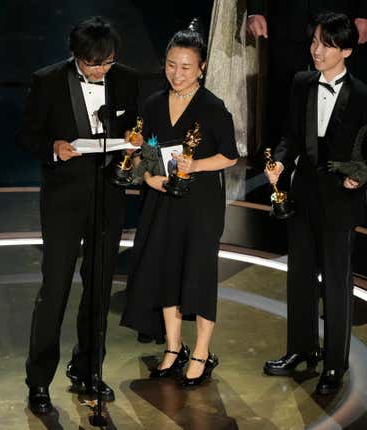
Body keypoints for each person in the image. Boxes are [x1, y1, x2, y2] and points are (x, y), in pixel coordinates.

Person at [18, 16, 139, 414]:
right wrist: (54, 146)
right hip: (63, 200)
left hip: (109, 198)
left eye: (106, 63)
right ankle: (38, 382)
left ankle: (88, 369)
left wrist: (133, 147)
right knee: (54, 289)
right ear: (75, 56)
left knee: (100, 287)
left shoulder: (126, 80)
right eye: (92, 64)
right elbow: (28, 135)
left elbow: (135, 129)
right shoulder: (48, 80)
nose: (101, 70)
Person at [262, 12, 367, 395]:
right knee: (298, 275)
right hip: (302, 192)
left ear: (346, 50)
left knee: (335, 283)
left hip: (341, 200)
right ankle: (300, 350)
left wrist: (360, 174)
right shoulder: (300, 83)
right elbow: (291, 136)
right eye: (314, 41)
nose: (316, 50)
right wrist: (280, 160)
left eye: (326, 45)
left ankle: (334, 365)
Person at [121, 25, 239, 387]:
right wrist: (147, 177)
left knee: (199, 276)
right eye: (172, 65)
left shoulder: (213, 107)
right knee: (166, 271)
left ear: (201, 68)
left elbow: (230, 157)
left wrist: (197, 165)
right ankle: (173, 347)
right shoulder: (154, 103)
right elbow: (145, 150)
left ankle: (201, 351)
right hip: (162, 201)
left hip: (201, 204)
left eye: (186, 67)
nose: (177, 73)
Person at [246, 0, 367, 154]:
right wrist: (255, 11)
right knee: (281, 91)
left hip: (340, 14)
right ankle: (276, 155)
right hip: (287, 15)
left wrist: (365, 13)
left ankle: (341, 156)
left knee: (341, 90)